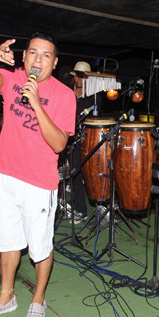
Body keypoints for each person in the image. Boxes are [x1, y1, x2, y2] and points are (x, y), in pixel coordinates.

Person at [0, 32, 76, 317]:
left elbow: (58, 144)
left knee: (40, 246)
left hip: (39, 182)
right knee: (7, 240)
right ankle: (6, 297)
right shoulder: (14, 78)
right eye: (32, 53)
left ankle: (38, 298)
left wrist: (37, 105)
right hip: (6, 173)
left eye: (45, 55)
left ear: (54, 63)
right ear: (24, 56)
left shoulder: (64, 95)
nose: (37, 60)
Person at [66, 61, 103, 221]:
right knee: (73, 172)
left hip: (88, 140)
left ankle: (102, 207)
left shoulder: (94, 96)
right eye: (78, 77)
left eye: (83, 77)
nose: (80, 80)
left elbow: (97, 121)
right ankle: (80, 209)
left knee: (92, 174)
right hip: (69, 138)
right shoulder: (67, 93)